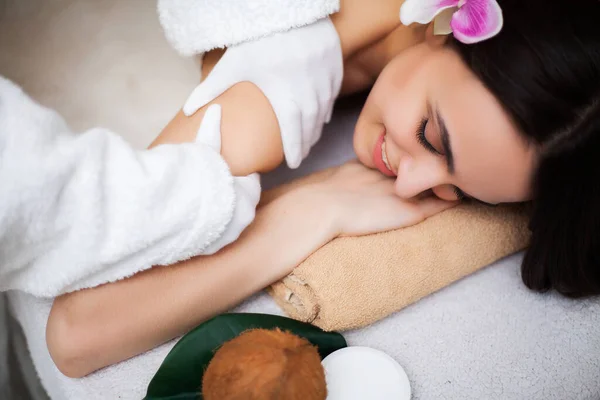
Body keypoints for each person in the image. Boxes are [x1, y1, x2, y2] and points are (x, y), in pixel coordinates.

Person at [46, 0, 600, 379]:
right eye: (431, 136)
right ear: (452, 18)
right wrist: (313, 209)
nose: (410, 184)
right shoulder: (269, 90)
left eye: (462, 191)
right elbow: (76, 329)